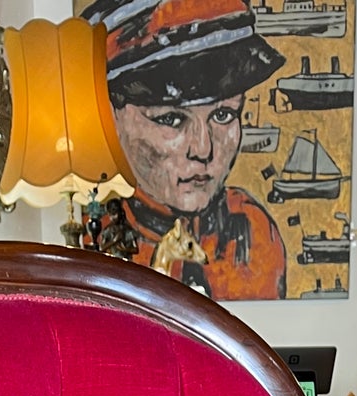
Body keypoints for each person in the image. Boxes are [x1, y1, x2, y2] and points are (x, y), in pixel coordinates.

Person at [83, 0, 287, 300]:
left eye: (223, 115)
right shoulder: (93, 244)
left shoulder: (252, 234)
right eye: (171, 119)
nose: (203, 150)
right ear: (112, 118)